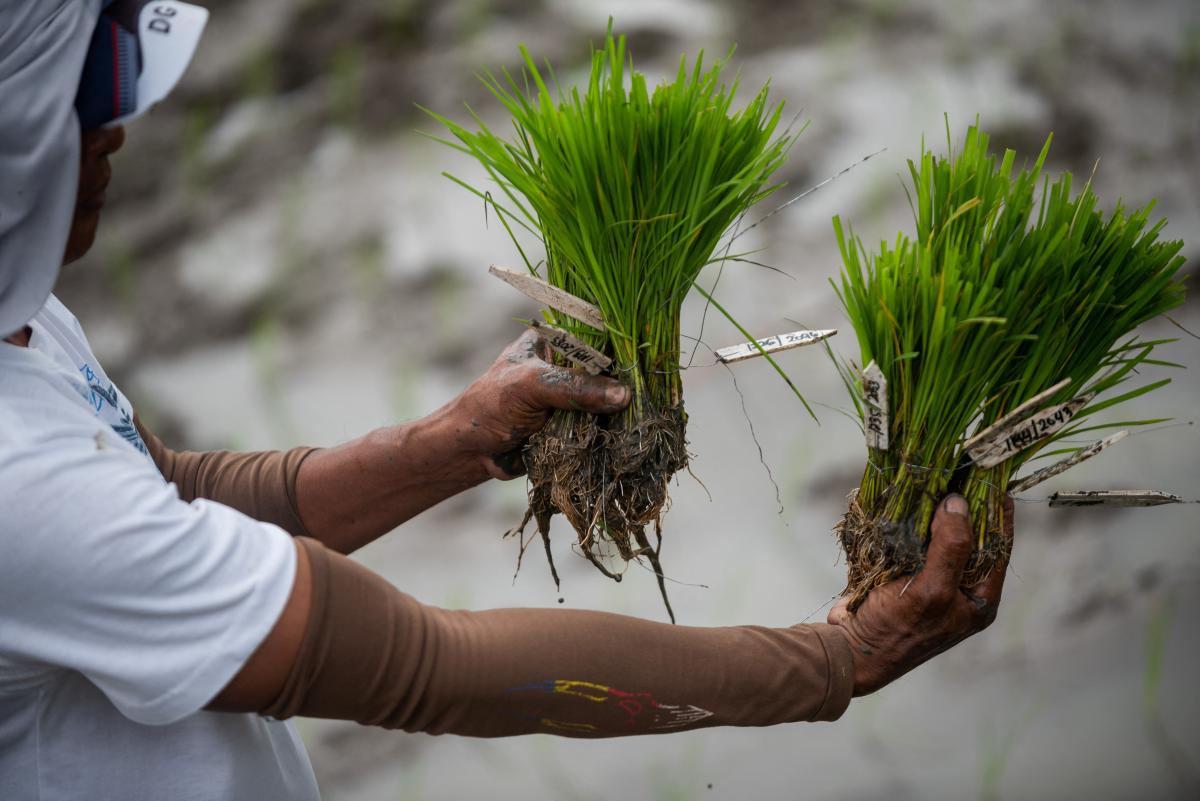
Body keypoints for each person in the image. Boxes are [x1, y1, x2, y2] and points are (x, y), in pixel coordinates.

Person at [0, 2, 1013, 799]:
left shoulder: (25, 319)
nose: (118, 125)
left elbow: (159, 492)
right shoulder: (16, 488)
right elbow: (426, 667)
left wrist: (450, 442)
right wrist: (833, 658)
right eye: (89, 83)